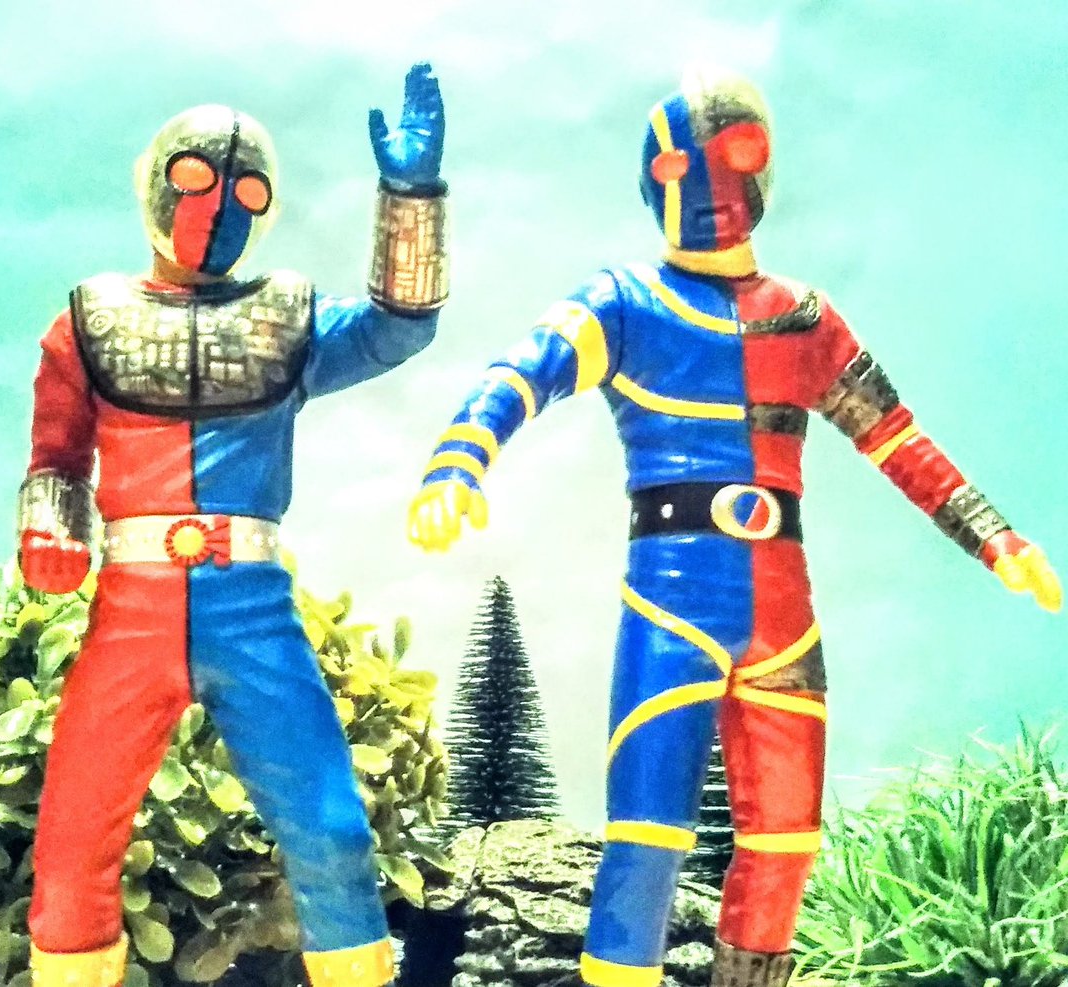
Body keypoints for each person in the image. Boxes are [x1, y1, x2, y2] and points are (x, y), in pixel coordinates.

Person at [407, 65, 1059, 987]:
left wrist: (994, 535)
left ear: (765, 167)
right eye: (677, 165)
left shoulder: (805, 320)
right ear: (651, 181)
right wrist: (460, 456)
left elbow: (897, 437)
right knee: (647, 836)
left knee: (786, 841)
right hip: (671, 606)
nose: (709, 181)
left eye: (734, 153)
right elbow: (522, 371)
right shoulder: (625, 304)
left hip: (782, 616)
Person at [17, 64, 448, 987]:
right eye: (196, 180)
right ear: (155, 182)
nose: (218, 208)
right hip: (131, 608)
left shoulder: (284, 319)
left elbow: (398, 327)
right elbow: (56, 458)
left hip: (250, 606)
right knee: (74, 835)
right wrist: (50, 528)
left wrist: (411, 200)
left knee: (330, 827)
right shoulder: (87, 321)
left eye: (246, 192)